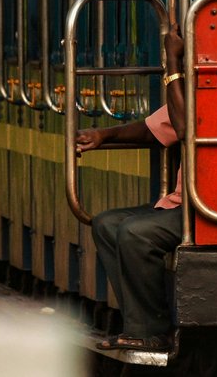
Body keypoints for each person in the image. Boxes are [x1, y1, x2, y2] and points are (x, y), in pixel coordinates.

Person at [76, 28, 186, 353]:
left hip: (207, 205)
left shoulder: (216, 86)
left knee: (137, 233)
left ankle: (151, 332)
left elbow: (183, 127)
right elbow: (156, 128)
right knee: (107, 224)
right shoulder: (194, 88)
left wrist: (172, 64)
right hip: (183, 203)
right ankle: (142, 322)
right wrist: (104, 136)